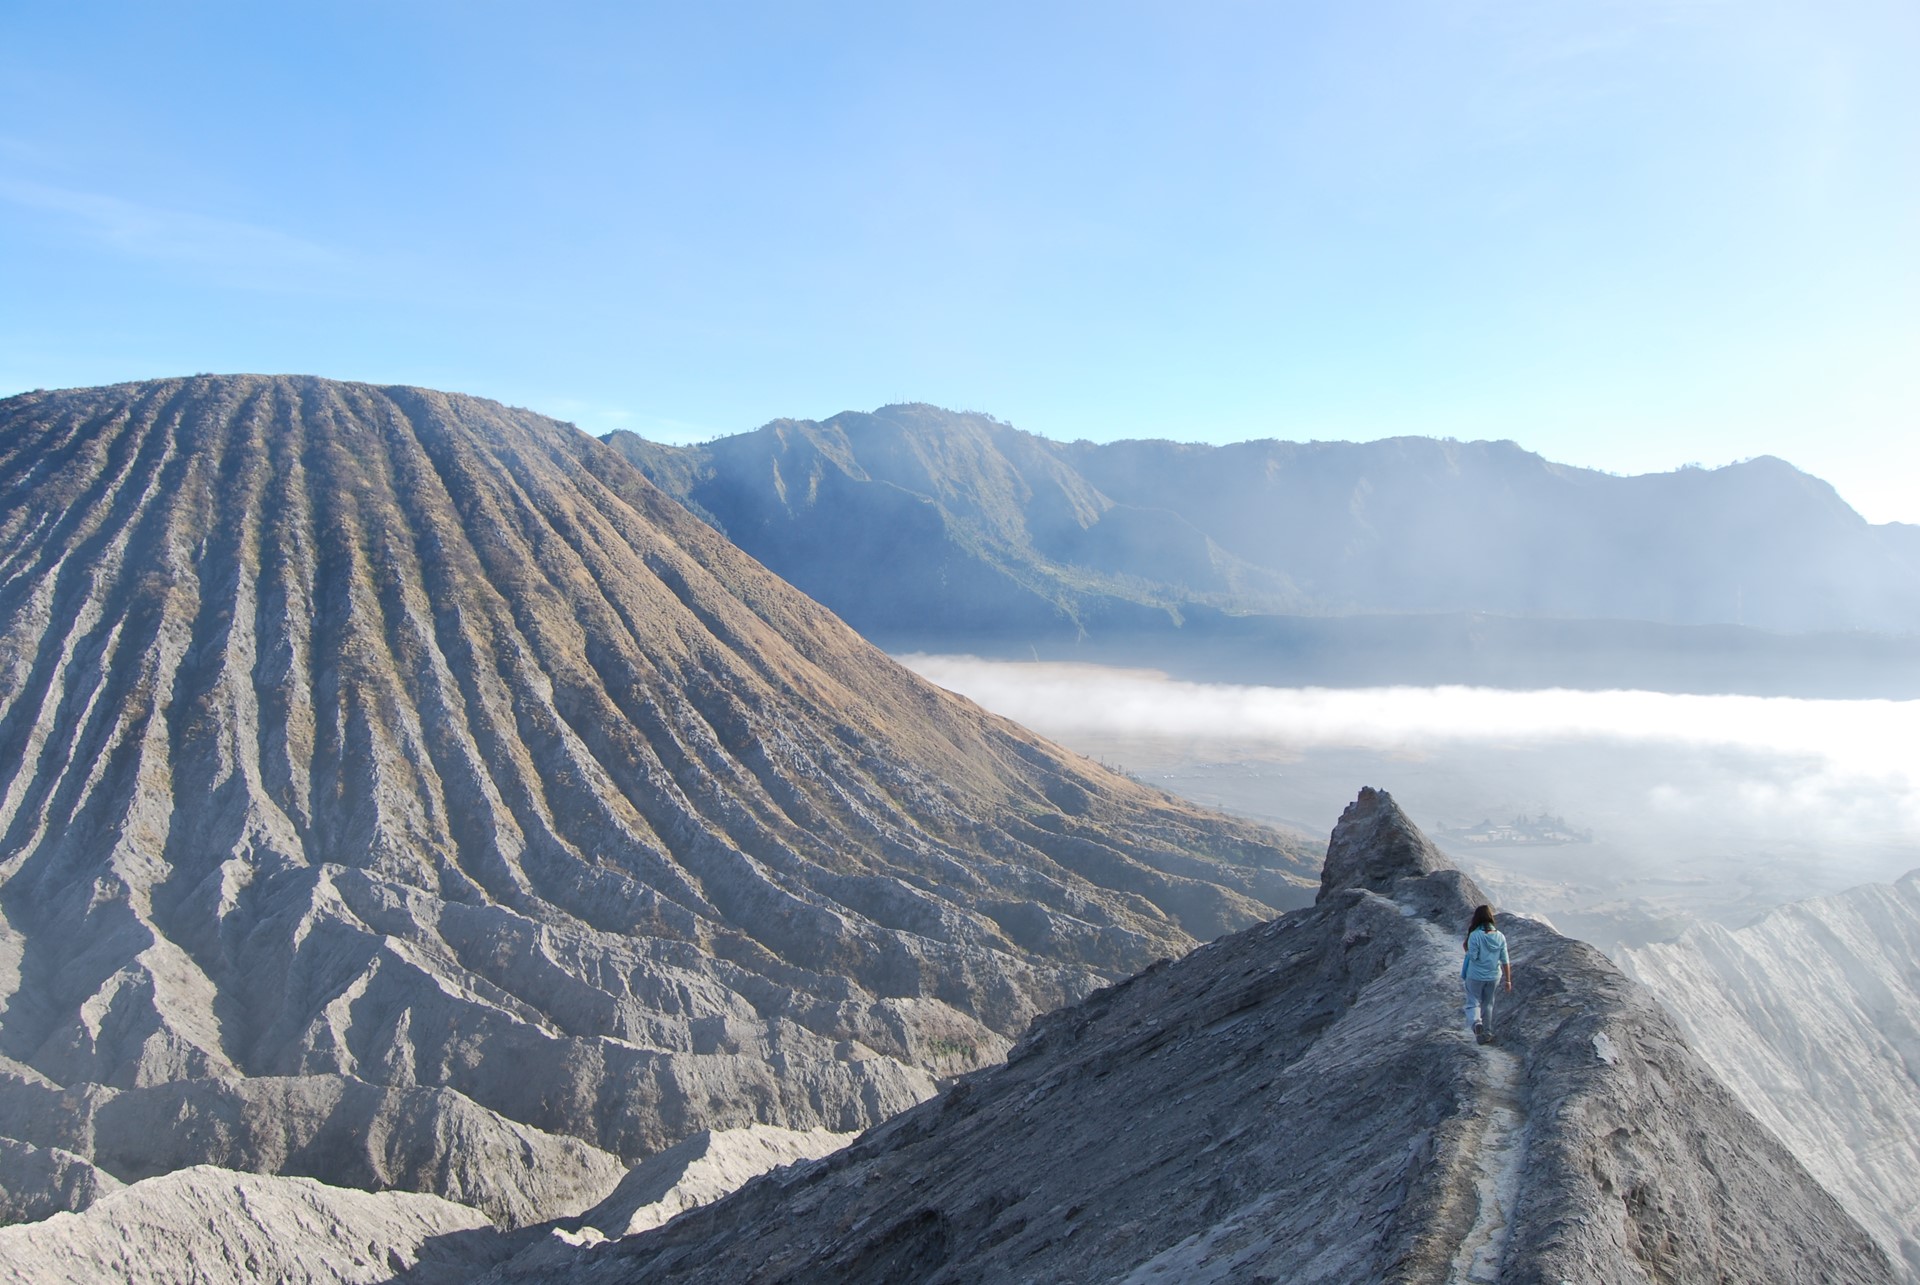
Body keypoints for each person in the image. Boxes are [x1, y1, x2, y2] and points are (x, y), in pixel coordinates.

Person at [1462, 904, 1511, 1044]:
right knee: (1488, 1004)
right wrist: (1508, 980)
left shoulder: (1475, 935)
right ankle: (1487, 1033)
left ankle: (1476, 1024)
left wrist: (1467, 949)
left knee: (1472, 1003)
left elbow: (1474, 956)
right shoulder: (1500, 936)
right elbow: (1505, 960)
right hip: (1494, 976)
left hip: (1475, 975)